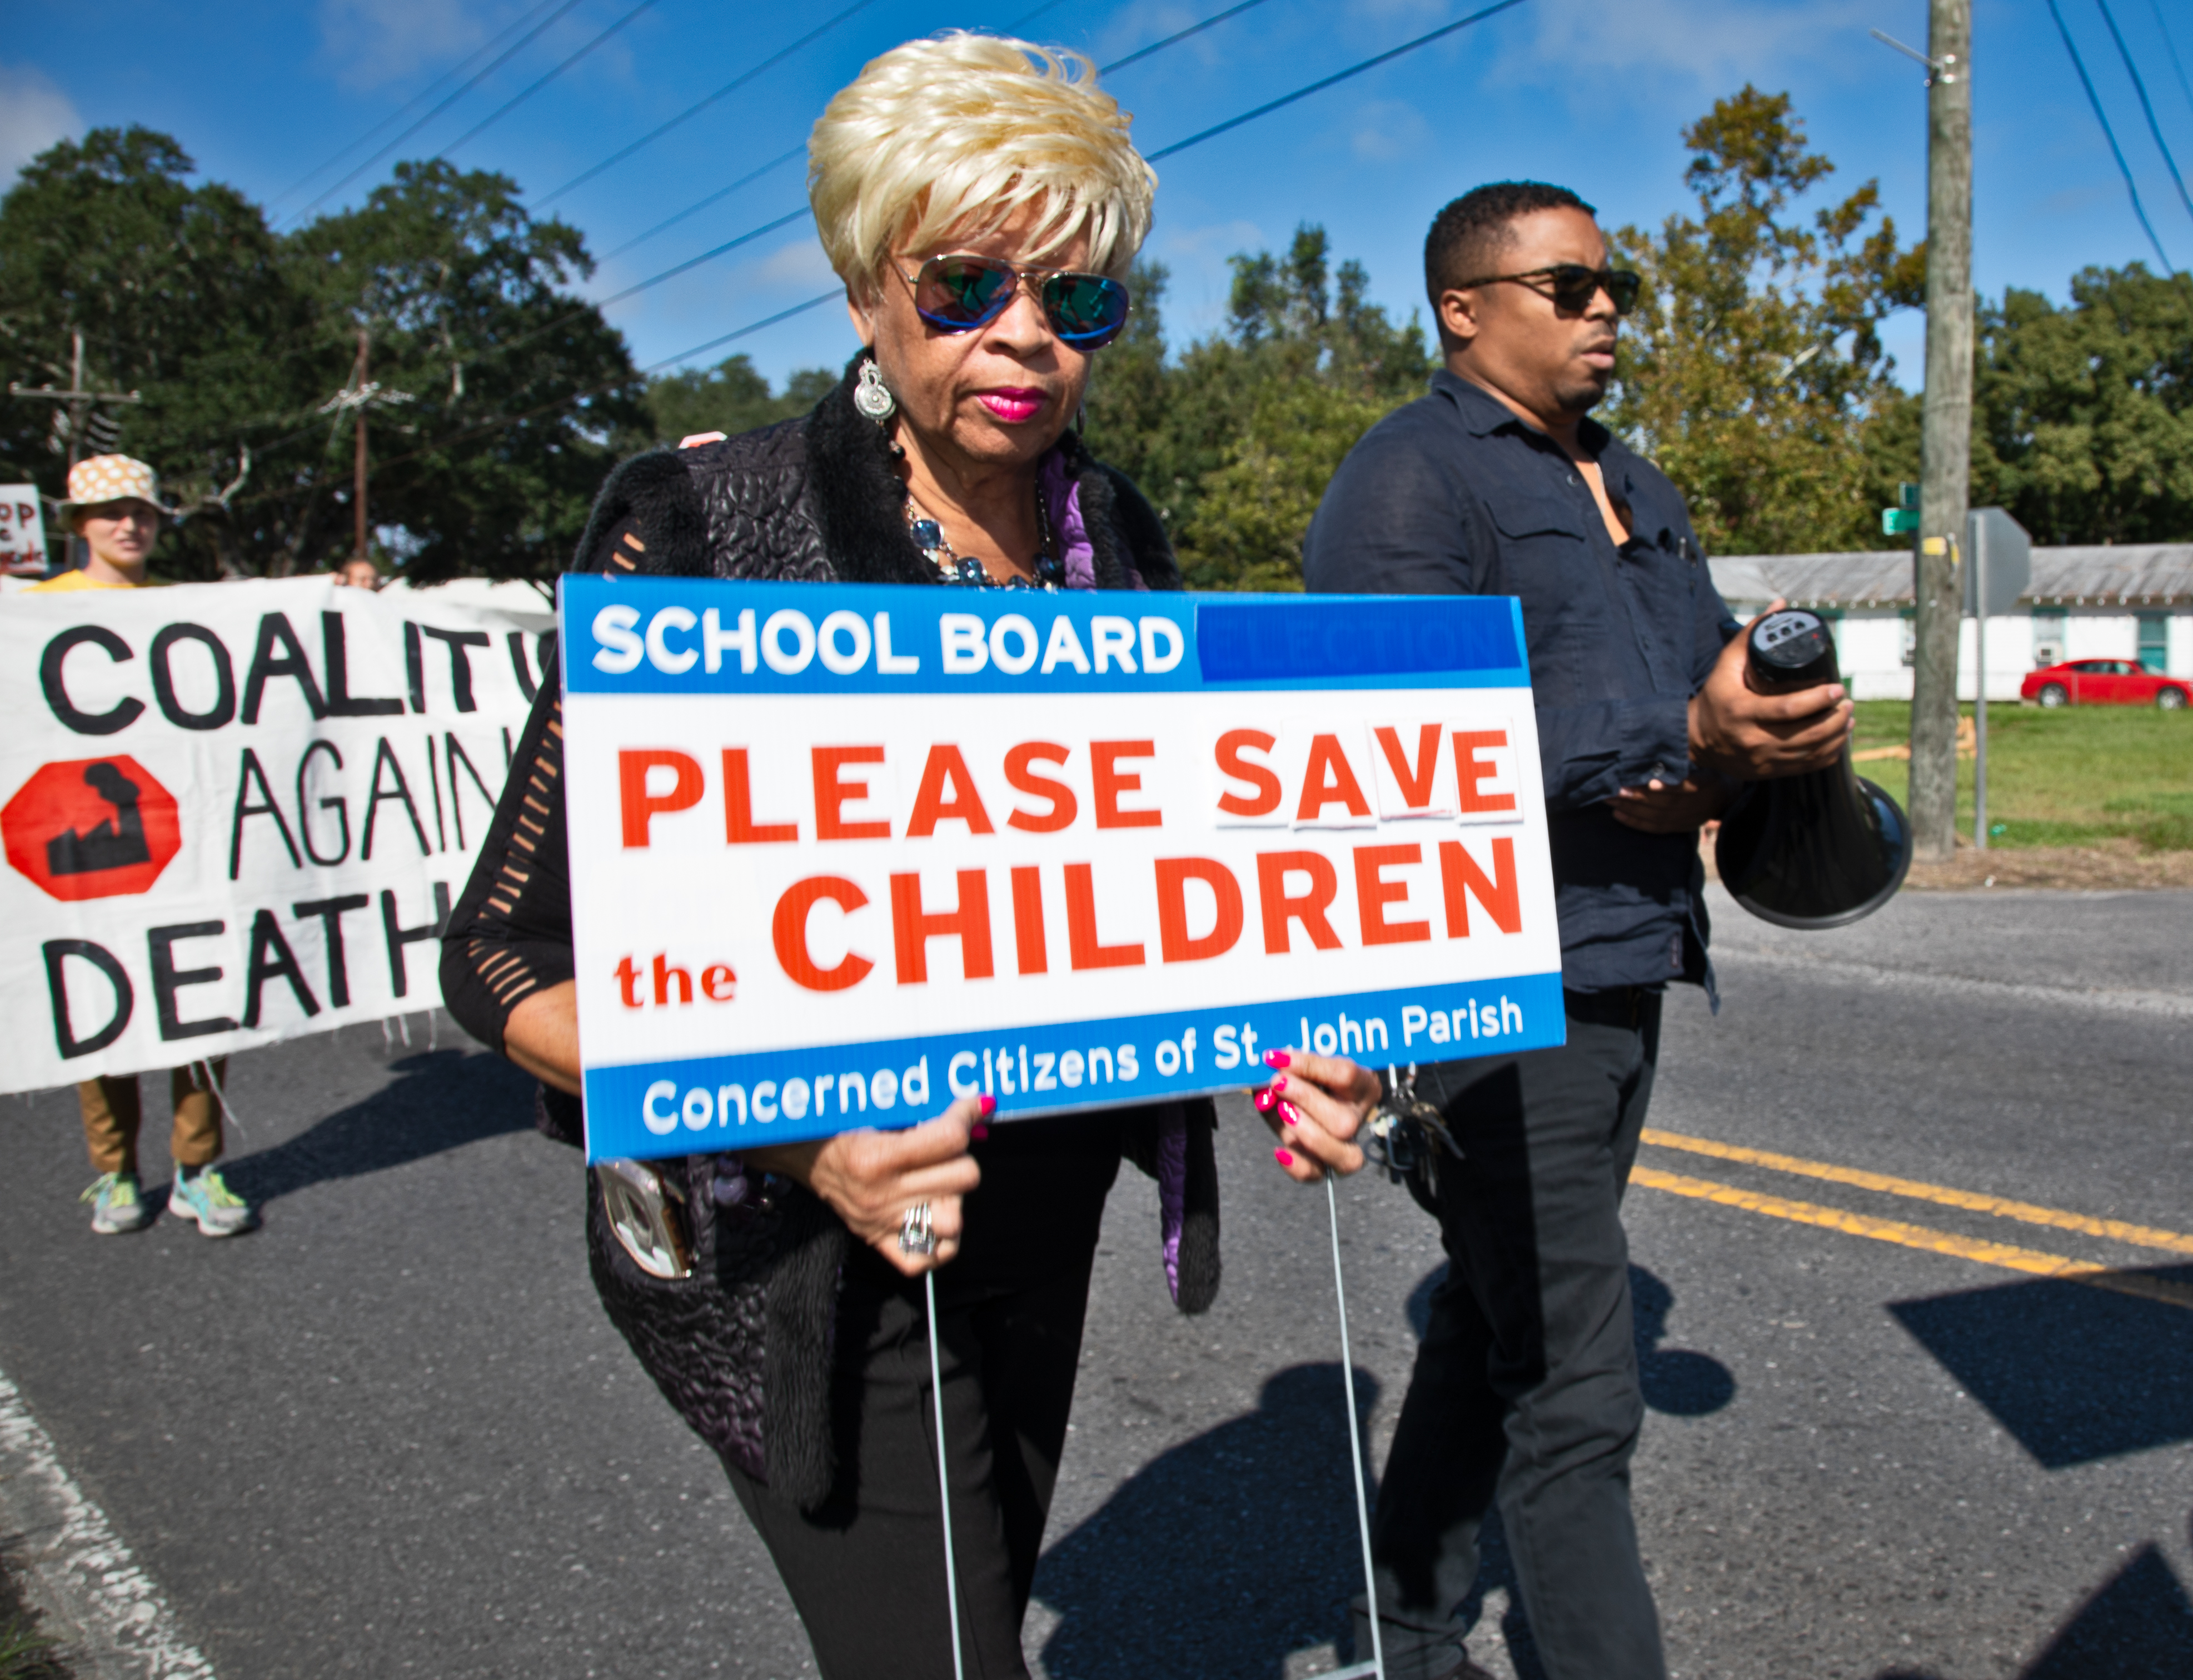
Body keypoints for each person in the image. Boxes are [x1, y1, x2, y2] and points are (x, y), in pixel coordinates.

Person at [439, 36, 1219, 1680]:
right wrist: (815, 1145)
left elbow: (1179, 889)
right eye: (968, 285)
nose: (1026, 335)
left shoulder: (1121, 541)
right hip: (792, 1241)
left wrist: (1296, 1042)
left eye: (1078, 301)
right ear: (868, 284)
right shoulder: (708, 527)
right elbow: (502, 956)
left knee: (974, 1617)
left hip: (1039, 1207)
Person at [1283, 182, 1855, 1679]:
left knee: (1495, 1323)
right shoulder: (1409, 479)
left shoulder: (1642, 484)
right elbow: (1381, 742)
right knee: (1581, 1389)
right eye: (1573, 285)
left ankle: (1397, 1637)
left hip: (1629, 955)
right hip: (1491, 977)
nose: (1608, 311)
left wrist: (1758, 731)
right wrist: (1675, 728)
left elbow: (1694, 690)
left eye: (1617, 287)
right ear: (1465, 310)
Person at [28, 455, 253, 1238]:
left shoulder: (183, 609)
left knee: (197, 1003)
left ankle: (199, 1168)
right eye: (112, 512)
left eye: (144, 513)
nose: (130, 524)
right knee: (102, 1002)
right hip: (83, 847)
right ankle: (114, 1171)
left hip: (183, 844)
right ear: (79, 525)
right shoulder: (32, 610)